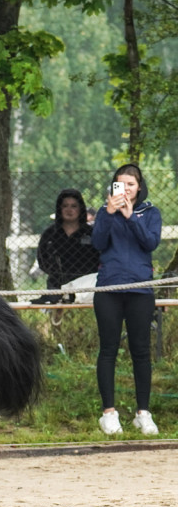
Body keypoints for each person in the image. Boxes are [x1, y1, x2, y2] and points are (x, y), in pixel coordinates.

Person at [91, 164, 161, 436]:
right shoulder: (104, 212)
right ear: (113, 187)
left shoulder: (150, 212)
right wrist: (109, 214)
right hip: (109, 289)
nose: (126, 189)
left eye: (131, 184)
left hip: (140, 291)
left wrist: (131, 217)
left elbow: (150, 243)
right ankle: (108, 413)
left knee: (141, 351)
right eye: (120, 184)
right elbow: (97, 243)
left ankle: (143, 412)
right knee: (108, 350)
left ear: (139, 187)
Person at [35, 189, 100, 303]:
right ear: (60, 209)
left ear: (80, 209)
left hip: (87, 287)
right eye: (65, 206)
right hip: (56, 286)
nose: (69, 210)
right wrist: (57, 274)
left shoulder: (92, 233)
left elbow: (99, 258)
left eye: (74, 206)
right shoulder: (50, 234)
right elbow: (42, 259)